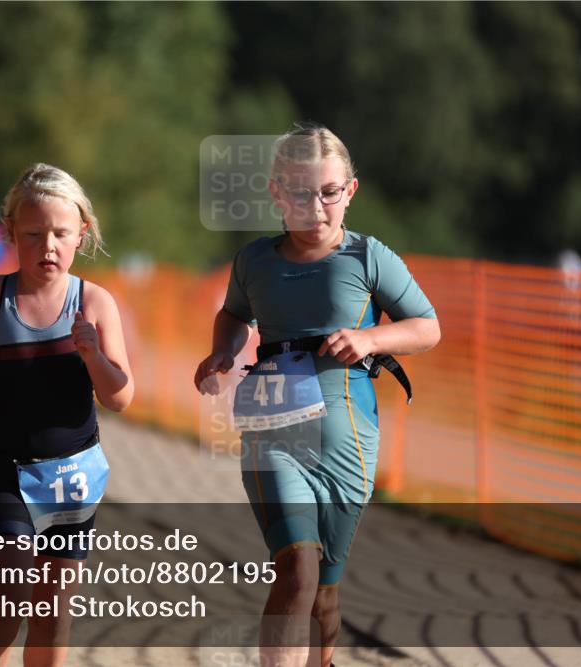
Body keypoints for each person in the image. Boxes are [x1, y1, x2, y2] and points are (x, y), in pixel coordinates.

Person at [194, 124, 440, 667]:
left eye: (329, 192)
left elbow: (427, 327)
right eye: (301, 193)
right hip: (273, 431)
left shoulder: (369, 257)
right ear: (276, 192)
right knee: (297, 570)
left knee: (325, 590)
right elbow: (234, 315)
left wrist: (371, 338)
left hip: (349, 440)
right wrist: (222, 352)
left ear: (350, 191)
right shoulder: (254, 261)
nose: (316, 207)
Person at [0, 163, 133, 666]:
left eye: (61, 234)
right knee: (9, 588)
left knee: (52, 611)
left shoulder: (95, 302)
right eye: (33, 234)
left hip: (73, 474)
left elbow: (121, 397)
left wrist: (93, 357)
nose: (48, 245)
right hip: (4, 468)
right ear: (10, 234)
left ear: (81, 234)